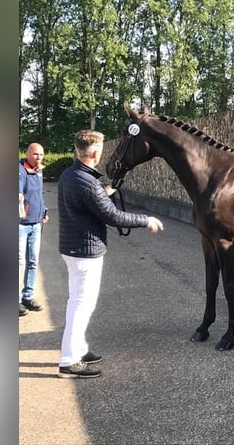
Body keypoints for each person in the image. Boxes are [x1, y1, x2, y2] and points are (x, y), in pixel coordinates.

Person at [56, 129, 163, 379]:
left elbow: (88, 202)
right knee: (82, 305)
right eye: (101, 150)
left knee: (77, 302)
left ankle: (78, 350)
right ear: (94, 153)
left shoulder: (70, 175)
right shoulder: (87, 183)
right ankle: (69, 361)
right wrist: (146, 219)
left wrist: (103, 194)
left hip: (74, 249)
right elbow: (114, 217)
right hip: (85, 251)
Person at [19, 143, 48, 317]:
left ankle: (28, 296)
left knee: (33, 261)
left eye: (42, 155)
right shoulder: (20, 170)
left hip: (36, 224)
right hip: (20, 224)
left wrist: (43, 210)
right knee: (19, 263)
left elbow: (38, 194)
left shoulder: (38, 170)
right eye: (36, 154)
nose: (39, 158)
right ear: (28, 153)